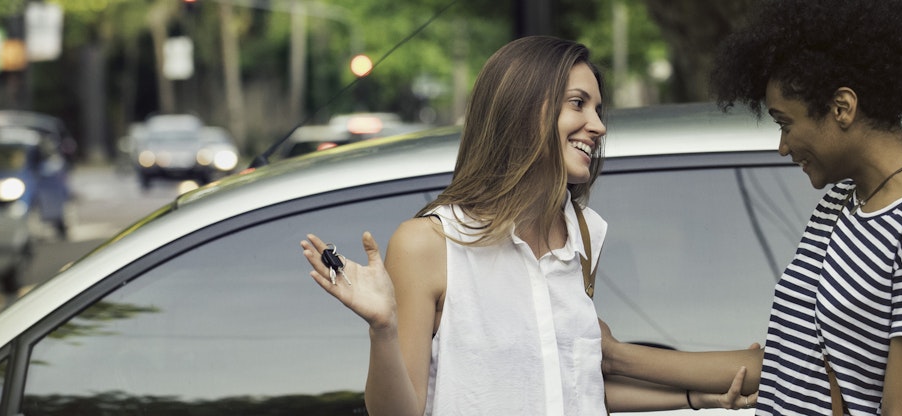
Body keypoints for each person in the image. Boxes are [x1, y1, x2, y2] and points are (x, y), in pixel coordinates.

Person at [301, 36, 756, 415]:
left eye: (598, 110)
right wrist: (383, 328)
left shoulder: (582, 237)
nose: (597, 126)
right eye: (578, 104)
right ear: (523, 110)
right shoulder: (429, 243)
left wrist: (694, 398)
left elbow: (569, 383)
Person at [707, 0, 902, 414]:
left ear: (842, 108)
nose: (782, 147)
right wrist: (615, 356)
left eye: (785, 124)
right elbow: (787, 363)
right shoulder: (844, 200)